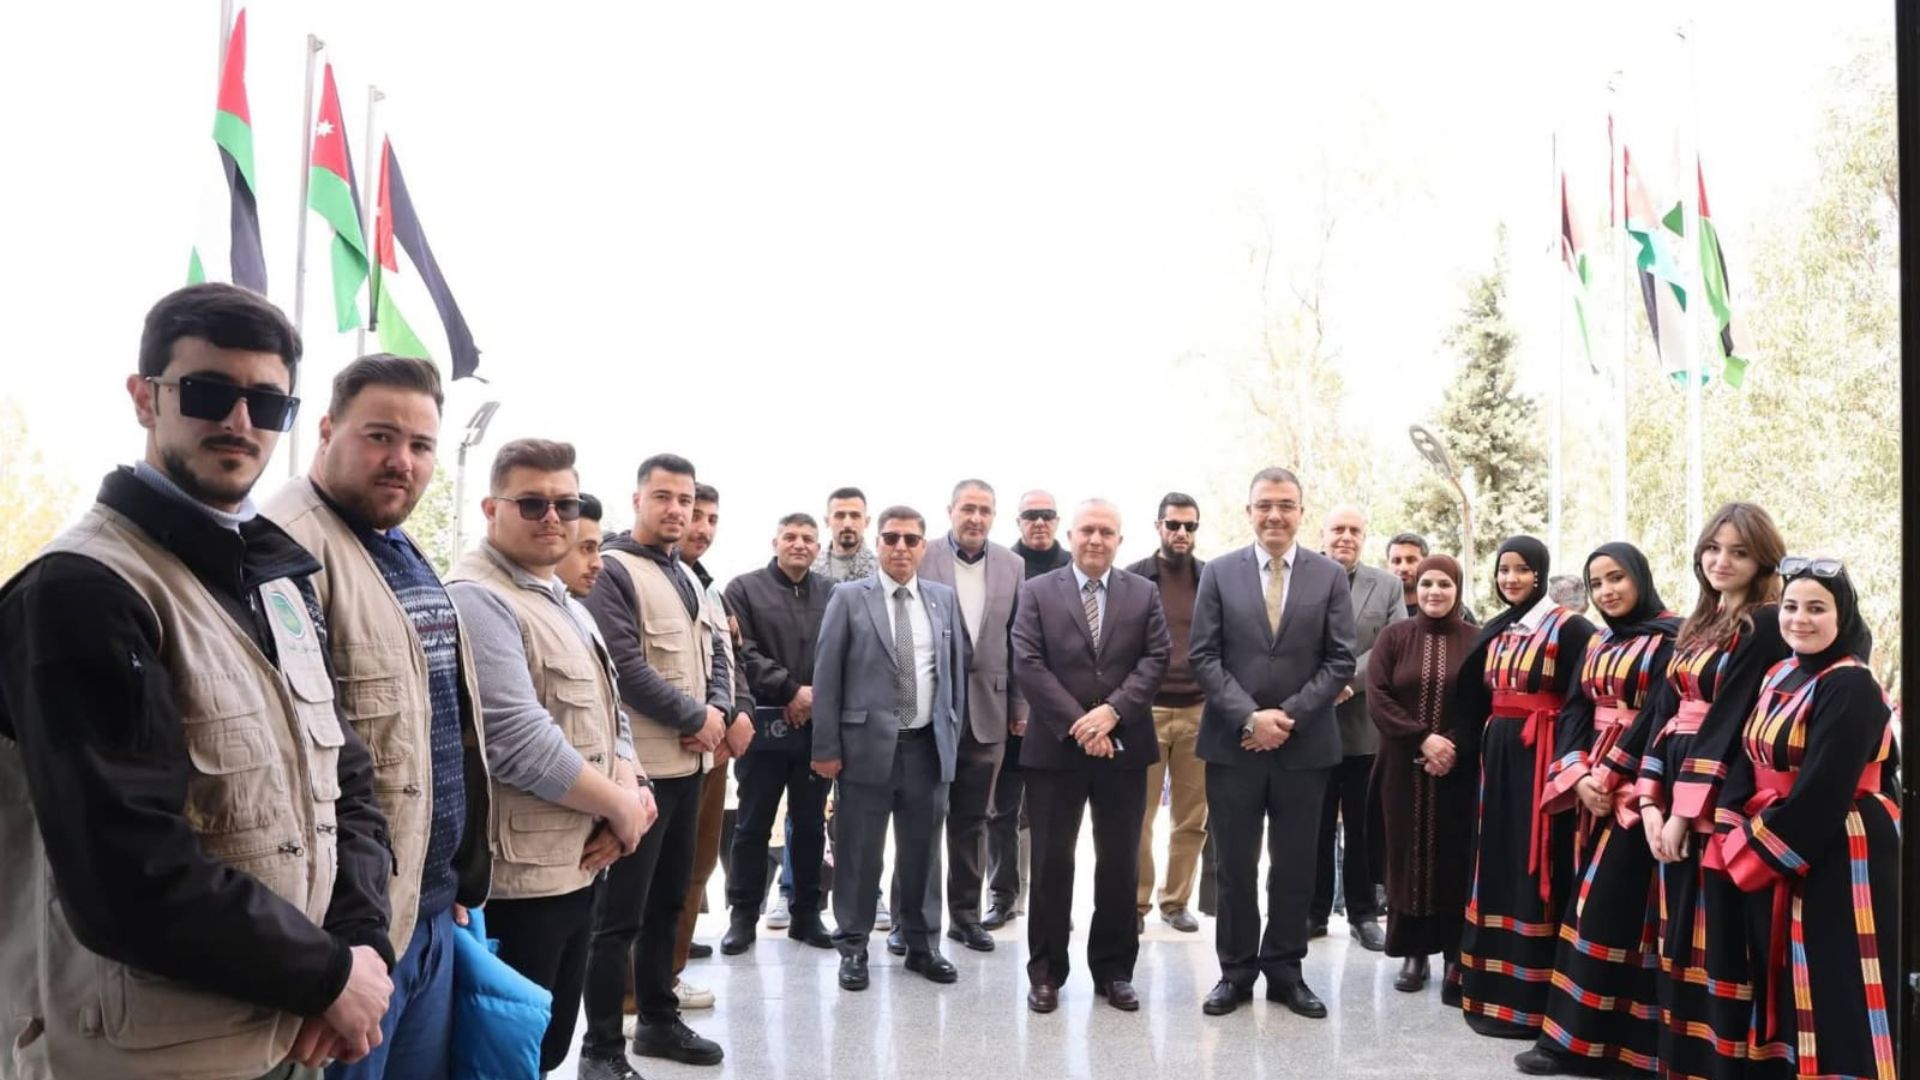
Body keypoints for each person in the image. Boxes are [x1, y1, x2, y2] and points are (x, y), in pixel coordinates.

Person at [0, 284, 396, 1079]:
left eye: (268, 403)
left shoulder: (278, 580)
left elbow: (348, 780)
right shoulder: (81, 590)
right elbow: (125, 872)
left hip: (289, 1033)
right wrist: (327, 975)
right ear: (144, 398)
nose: (240, 423)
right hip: (150, 1056)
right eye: (209, 392)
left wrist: (360, 947)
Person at [262, 354, 496, 1080]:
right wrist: (333, 953)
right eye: (380, 436)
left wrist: (450, 883)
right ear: (326, 429)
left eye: (421, 445)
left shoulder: (393, 540)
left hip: (427, 910)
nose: (403, 461)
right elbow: (289, 772)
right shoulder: (285, 549)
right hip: (352, 938)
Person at [445, 438, 653, 1079]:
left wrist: (632, 791)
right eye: (532, 504)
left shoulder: (562, 602)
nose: (553, 518)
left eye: (565, 503)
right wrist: (620, 807)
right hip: (520, 882)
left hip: (577, 866)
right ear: (491, 509)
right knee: (510, 1056)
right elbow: (515, 738)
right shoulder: (479, 598)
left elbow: (612, 712)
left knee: (550, 1046)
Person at [576, 456, 742, 1075]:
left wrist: (718, 710)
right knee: (617, 917)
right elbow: (622, 665)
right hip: (640, 775)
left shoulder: (690, 576)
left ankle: (658, 1021)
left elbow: (717, 652)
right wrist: (694, 716)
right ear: (638, 500)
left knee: (671, 904)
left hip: (690, 771)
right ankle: (600, 1048)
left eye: (686, 500)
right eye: (664, 497)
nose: (677, 510)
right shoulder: (615, 571)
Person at [1719, 558, 1896, 1080]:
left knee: (1835, 971)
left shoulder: (1852, 685)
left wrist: (1751, 851)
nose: (1800, 619)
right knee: (1784, 972)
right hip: (1778, 830)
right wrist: (1733, 821)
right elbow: (1746, 756)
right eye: (1791, 606)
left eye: (1817, 608)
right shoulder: (1780, 671)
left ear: (1843, 615)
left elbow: (1824, 789)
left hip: (1841, 846)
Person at [1190, 467, 1356, 1020]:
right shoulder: (1219, 572)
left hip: (1304, 748)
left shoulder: (1328, 576)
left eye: (1286, 505)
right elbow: (1203, 656)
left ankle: (1286, 972)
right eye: (1264, 505)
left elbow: (1340, 658)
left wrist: (1287, 717)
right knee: (1234, 867)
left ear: (1301, 512)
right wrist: (1248, 718)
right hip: (1232, 746)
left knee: (1295, 867)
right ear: (1249, 511)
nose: (1275, 515)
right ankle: (1235, 973)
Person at [1631, 504, 1787, 1080]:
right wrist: (1649, 799)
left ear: (1763, 560)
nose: (1721, 561)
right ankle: (1682, 1060)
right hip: (1676, 783)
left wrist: (1683, 812)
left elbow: (1731, 720)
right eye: (1713, 549)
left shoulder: (1764, 625)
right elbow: (1663, 712)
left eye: (1739, 552)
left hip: (1722, 794)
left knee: (1717, 930)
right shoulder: (1698, 622)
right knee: (1677, 928)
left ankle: (1721, 1064)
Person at [1515, 543, 1678, 1076]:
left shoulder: (1672, 639)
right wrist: (1579, 775)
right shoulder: (1599, 640)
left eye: (1617, 578)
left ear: (1640, 578)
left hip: (1642, 789)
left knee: (1614, 909)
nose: (1608, 591)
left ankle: (1608, 1046)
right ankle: (1573, 1038)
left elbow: (1660, 717)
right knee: (1584, 905)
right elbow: (1575, 710)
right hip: (1592, 789)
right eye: (1598, 582)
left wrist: (1612, 776)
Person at [1013, 500, 1170, 1013]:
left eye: (1106, 531)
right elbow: (1028, 662)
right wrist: (1081, 725)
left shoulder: (1143, 592)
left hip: (1124, 748)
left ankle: (1114, 971)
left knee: (1120, 863)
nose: (1096, 539)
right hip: (1056, 749)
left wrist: (1112, 713)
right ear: (1071, 536)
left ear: (1120, 540)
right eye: (1087, 530)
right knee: (1051, 863)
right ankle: (1046, 973)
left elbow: (1156, 659)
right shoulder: (1038, 591)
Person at [811, 506, 968, 992]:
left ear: (924, 546)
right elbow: (827, 677)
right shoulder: (848, 598)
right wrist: (826, 748)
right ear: (878, 543)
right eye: (892, 538)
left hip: (926, 750)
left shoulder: (942, 599)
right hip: (864, 751)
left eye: (911, 539)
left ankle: (922, 945)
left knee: (924, 854)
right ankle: (853, 947)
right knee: (860, 854)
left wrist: (951, 737)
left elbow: (955, 676)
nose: (901, 547)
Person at [1452, 536, 1597, 1040]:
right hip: (1498, 757)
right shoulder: (1500, 628)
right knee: (1495, 857)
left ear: (1540, 573)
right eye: (1503, 570)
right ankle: (1488, 985)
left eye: (1521, 570)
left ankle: (1536, 996)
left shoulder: (1570, 627)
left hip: (1543, 759)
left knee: (1538, 864)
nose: (1510, 579)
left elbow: (1583, 699)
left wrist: (1571, 763)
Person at [910, 478, 1026, 955]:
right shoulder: (924, 554)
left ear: (993, 516)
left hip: (989, 711)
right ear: (951, 511)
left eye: (984, 510)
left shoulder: (1013, 565)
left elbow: (1020, 639)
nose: (976, 518)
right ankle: (910, 921)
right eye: (968, 508)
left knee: (973, 821)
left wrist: (1019, 706)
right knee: (920, 820)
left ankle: (965, 918)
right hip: (929, 710)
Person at [721, 513, 836, 955]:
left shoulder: (833, 593)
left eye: (808, 538)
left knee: (810, 824)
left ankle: (807, 914)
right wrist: (789, 689)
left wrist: (813, 695)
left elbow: (842, 649)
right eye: (790, 536)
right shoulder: (744, 589)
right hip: (763, 727)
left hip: (816, 728)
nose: (799, 544)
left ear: (818, 547)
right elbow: (741, 650)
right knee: (752, 824)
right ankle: (742, 916)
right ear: (775, 542)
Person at [1366, 554, 1480, 999]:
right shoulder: (1394, 636)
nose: (1435, 592)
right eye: (1428, 583)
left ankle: (1454, 954)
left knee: (1453, 856)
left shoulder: (1476, 640)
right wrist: (1422, 740)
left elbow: (1482, 703)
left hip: (1457, 768)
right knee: (1406, 854)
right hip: (1401, 766)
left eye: (1445, 584)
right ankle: (1413, 953)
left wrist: (1451, 745)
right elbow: (1378, 696)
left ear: (1457, 589)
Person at [669, 484, 757, 1012]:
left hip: (712, 750)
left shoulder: (707, 587)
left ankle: (669, 975)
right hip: (667, 748)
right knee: (658, 877)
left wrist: (737, 713)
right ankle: (636, 991)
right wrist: (700, 719)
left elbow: (729, 659)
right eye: (691, 514)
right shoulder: (627, 574)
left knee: (696, 868)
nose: (700, 527)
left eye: (709, 518)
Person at [1310, 504, 1405, 949]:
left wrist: (1345, 684)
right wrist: (1320, 687)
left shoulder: (1387, 585)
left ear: (1364, 537)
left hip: (1363, 725)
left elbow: (1392, 643)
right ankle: (1313, 912)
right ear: (1322, 535)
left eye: (1354, 530)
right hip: (1309, 722)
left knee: (1363, 826)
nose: (1345, 537)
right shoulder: (1301, 578)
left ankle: (1363, 913)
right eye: (1337, 529)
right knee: (1315, 825)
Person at [985, 488, 1074, 930]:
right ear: (1017, 521)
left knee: (1057, 814)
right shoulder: (1002, 566)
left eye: (1047, 514)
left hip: (1066, 712)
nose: (1039, 522)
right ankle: (1002, 897)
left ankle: (1052, 903)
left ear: (1058, 521)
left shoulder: (1075, 566)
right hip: (1009, 710)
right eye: (1030, 515)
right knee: (1002, 811)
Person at [1127, 491, 1209, 935]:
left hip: (1199, 711)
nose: (1181, 533)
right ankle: (1136, 902)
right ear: (1158, 526)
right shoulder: (1134, 578)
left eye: (1189, 526)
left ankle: (1176, 902)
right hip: (1147, 711)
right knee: (1138, 815)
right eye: (1173, 524)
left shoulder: (1210, 579)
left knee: (1191, 817)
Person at [812, 486, 878, 583]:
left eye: (855, 516)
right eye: (839, 516)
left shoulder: (881, 572)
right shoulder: (810, 569)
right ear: (827, 521)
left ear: (867, 522)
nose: (847, 524)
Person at [557, 493, 607, 599]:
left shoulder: (573, 607)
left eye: (599, 549)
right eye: (587, 548)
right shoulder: (522, 607)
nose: (599, 564)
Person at [1386, 532, 1430, 617]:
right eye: (1396, 561)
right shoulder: (1377, 609)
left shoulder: (1441, 610)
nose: (1403, 568)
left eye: (1411, 560)